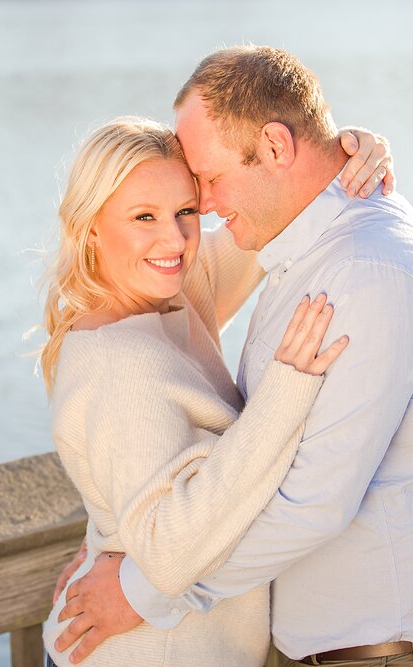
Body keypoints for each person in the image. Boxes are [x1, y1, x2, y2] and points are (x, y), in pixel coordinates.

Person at [54, 46, 413, 667]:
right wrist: (113, 537)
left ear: (277, 147)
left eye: (203, 190)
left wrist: (142, 593)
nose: (203, 211)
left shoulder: (361, 269)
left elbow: (313, 502)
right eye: (153, 212)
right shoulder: (264, 250)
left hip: (407, 651)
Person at [38, 116, 392, 666]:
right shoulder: (119, 363)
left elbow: (274, 210)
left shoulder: (171, 296)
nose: (173, 238)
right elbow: (167, 553)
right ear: (90, 228)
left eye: (185, 211)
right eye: (143, 217)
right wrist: (285, 393)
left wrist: (344, 159)